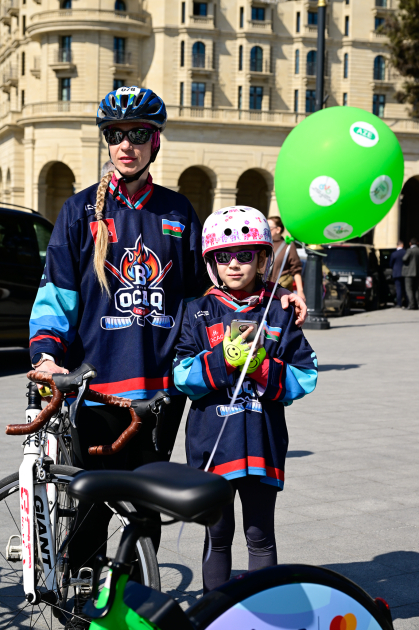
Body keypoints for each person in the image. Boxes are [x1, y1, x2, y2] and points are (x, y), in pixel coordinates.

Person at [28, 88, 308, 627]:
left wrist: (282, 289)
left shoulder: (179, 211)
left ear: (155, 141)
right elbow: (56, 295)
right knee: (88, 506)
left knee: (147, 510)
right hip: (95, 385)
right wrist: (45, 355)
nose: (125, 144)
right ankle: (84, 610)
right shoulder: (78, 209)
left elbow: (214, 286)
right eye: (115, 134)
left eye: (137, 134)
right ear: (106, 141)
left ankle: (133, 605)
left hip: (158, 394)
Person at [173, 206, 317, 593]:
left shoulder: (280, 312)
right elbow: (181, 375)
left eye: (245, 255)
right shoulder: (197, 312)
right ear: (211, 262)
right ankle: (214, 612)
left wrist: (262, 369)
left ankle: (260, 613)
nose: (234, 264)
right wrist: (220, 362)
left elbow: (306, 375)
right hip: (212, 445)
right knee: (217, 536)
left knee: (260, 535)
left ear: (263, 258)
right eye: (223, 256)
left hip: (262, 443)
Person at [267, 215, 305, 301]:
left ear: (278, 229)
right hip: (263, 290)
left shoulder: (288, 246)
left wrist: (300, 291)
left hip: (282, 291)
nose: (266, 229)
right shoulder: (263, 245)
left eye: (269, 227)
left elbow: (296, 269)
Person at [402, 237, 419, 310]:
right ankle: (417, 304)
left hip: (409, 273)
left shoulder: (409, 250)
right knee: (416, 290)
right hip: (417, 273)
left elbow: (404, 259)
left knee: (409, 289)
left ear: (410, 243)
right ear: (417, 243)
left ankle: (412, 305)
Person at [390, 241, 407, 308]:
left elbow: (390, 264)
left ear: (397, 246)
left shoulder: (394, 254)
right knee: (405, 289)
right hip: (405, 273)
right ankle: (406, 303)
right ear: (402, 245)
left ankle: (399, 304)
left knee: (398, 289)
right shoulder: (406, 252)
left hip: (397, 273)